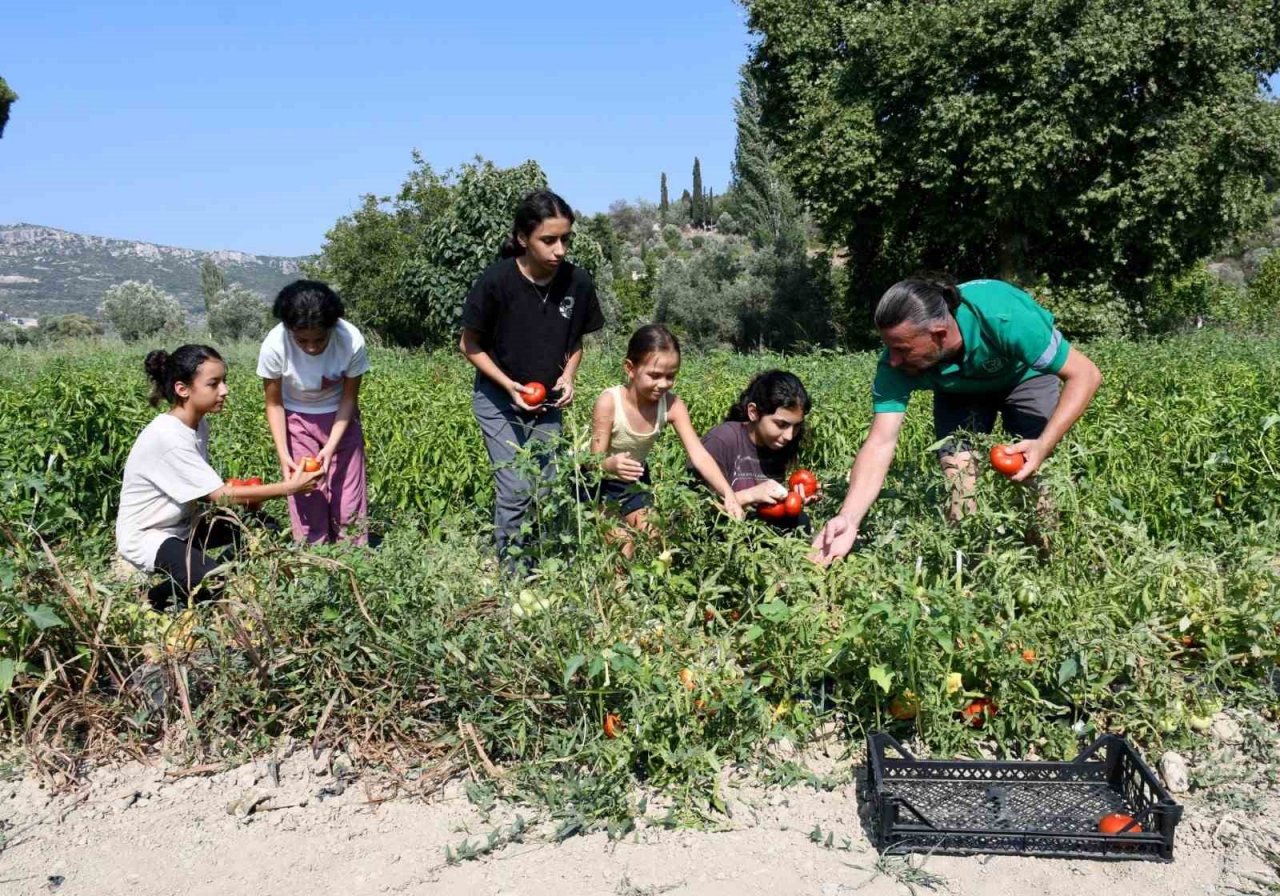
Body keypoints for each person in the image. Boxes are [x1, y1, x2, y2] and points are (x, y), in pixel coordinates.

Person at [811, 276, 1102, 564]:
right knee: (959, 482)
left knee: (1032, 477)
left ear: (939, 333)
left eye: (902, 349)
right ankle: (969, 574)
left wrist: (1043, 444)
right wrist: (848, 517)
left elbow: (1086, 375)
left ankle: (1044, 565)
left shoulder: (1003, 315)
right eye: (891, 348)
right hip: (959, 391)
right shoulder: (895, 363)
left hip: (1024, 376)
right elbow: (880, 442)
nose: (894, 360)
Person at [459, 190, 605, 571]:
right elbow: (469, 345)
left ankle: (552, 564)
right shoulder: (496, 282)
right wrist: (510, 386)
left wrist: (569, 376)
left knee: (552, 485)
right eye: (549, 240)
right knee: (515, 486)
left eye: (565, 239)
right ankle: (513, 573)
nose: (560, 250)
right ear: (523, 238)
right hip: (498, 400)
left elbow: (575, 342)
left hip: (548, 402)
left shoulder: (578, 283)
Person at [116, 344, 322, 610]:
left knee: (262, 529)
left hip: (182, 525)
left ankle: (180, 582)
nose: (224, 390)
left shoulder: (198, 425)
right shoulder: (168, 437)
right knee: (211, 581)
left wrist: (243, 496)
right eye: (214, 384)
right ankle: (158, 599)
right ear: (183, 389)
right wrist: (289, 488)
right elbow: (218, 495)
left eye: (224, 381)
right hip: (149, 534)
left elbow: (205, 490)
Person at [587, 324, 744, 556]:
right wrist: (609, 465)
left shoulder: (671, 405)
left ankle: (646, 590)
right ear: (630, 368)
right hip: (596, 483)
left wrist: (728, 493)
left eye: (671, 376)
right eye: (655, 375)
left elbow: (699, 454)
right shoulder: (609, 402)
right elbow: (592, 461)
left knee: (654, 535)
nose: (663, 384)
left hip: (634, 481)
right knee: (623, 543)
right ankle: (617, 591)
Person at [257, 279, 370, 545]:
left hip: (341, 419)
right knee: (307, 497)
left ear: (332, 326)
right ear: (289, 329)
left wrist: (331, 446)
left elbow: (349, 398)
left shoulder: (350, 340)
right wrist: (284, 454)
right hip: (296, 420)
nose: (310, 347)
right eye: (301, 340)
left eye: (319, 339)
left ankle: (353, 567)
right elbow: (274, 404)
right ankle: (314, 569)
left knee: (348, 503)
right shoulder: (274, 345)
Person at [695, 370, 818, 530]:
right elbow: (694, 509)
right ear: (753, 412)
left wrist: (793, 498)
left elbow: (766, 509)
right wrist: (750, 495)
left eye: (796, 426)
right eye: (781, 424)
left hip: (754, 532)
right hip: (720, 537)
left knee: (800, 521)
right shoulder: (722, 440)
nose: (789, 436)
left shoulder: (778, 445)